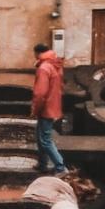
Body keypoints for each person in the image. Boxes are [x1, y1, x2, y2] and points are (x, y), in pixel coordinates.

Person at [30, 38, 67, 176]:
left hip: (46, 107)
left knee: (45, 140)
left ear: (37, 53)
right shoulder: (55, 64)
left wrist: (35, 109)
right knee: (40, 136)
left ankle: (60, 167)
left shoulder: (44, 68)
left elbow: (40, 93)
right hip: (54, 104)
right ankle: (42, 164)